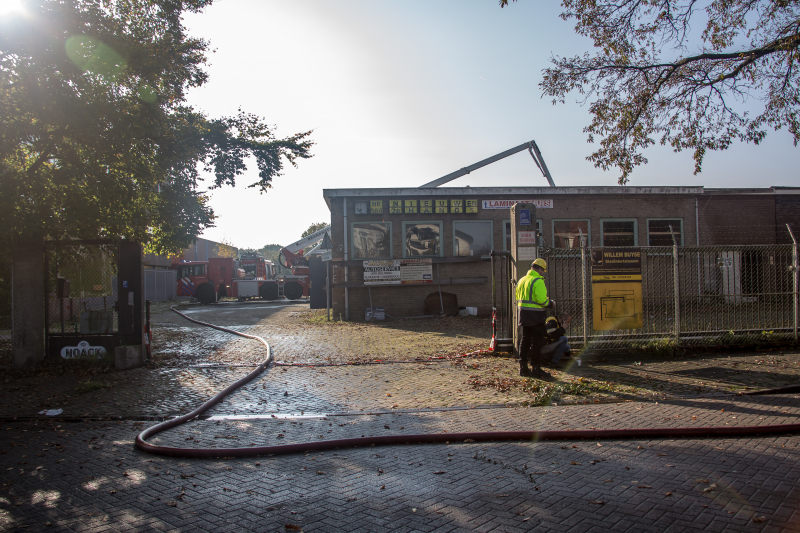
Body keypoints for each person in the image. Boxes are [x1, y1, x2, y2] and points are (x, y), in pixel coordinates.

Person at [515, 258, 555, 381]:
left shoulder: (522, 280)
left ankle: (523, 367)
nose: (543, 273)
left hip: (524, 315)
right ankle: (536, 369)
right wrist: (551, 303)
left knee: (525, 341)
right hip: (536, 317)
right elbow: (542, 301)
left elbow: (518, 297)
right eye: (542, 270)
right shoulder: (538, 281)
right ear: (538, 269)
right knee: (537, 342)